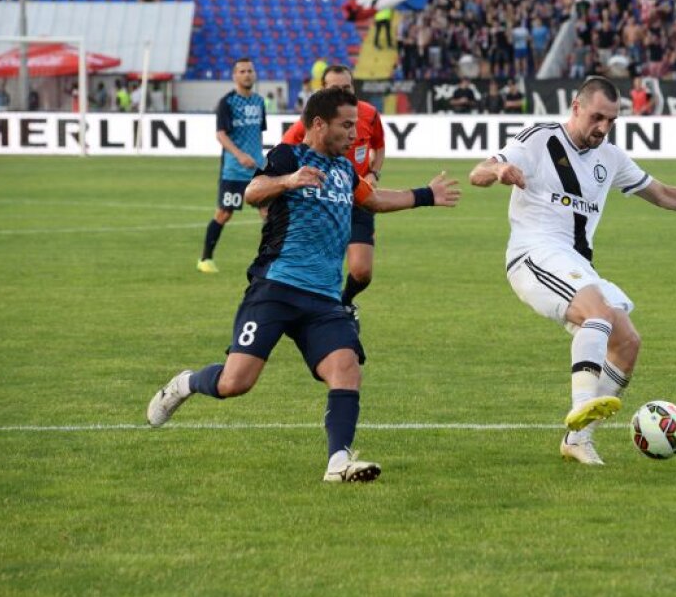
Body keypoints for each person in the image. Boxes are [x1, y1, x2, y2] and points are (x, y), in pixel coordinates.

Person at [148, 86, 461, 483]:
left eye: (356, 126)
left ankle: (338, 462)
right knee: (234, 383)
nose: (354, 134)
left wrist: (425, 195)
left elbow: (373, 200)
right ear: (318, 124)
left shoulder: (344, 169)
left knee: (346, 369)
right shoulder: (288, 155)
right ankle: (185, 383)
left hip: (324, 299)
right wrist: (288, 181)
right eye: (346, 125)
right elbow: (252, 192)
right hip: (276, 288)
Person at [468, 77, 676, 465]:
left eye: (612, 120)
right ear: (576, 108)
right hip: (533, 255)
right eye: (597, 117)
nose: (603, 127)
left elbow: (662, 193)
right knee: (598, 314)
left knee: (627, 342)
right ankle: (582, 404)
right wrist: (499, 171)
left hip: (576, 264)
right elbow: (479, 172)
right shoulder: (540, 138)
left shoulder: (610, 158)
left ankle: (577, 440)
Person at [281, 64, 386, 313]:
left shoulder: (369, 114)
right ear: (323, 90)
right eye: (335, 88)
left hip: (359, 199)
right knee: (309, 269)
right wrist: (291, 180)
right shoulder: (312, 121)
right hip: (322, 201)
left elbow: (379, 146)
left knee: (362, 272)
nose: (342, 93)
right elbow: (285, 150)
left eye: (347, 88)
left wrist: (373, 172)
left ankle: (345, 301)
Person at [198, 58, 266, 274]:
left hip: (257, 170)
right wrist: (240, 156)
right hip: (235, 170)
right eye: (242, 71)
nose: (247, 75)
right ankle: (205, 259)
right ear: (235, 76)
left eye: (250, 71)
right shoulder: (227, 102)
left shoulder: (259, 102)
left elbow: (258, 133)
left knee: (268, 213)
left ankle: (267, 261)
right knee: (224, 214)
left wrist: (260, 159)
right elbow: (221, 134)